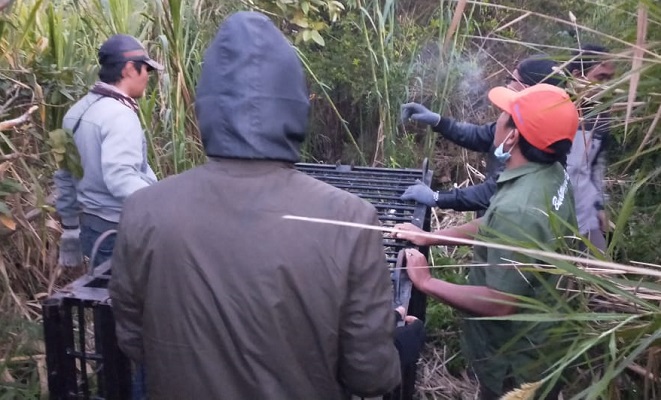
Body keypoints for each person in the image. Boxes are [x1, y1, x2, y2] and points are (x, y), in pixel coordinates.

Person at [109, 11, 405, 400]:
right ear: (296, 106)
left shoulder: (144, 209)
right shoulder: (350, 219)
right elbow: (371, 376)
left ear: (207, 107)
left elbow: (134, 340)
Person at [394, 83, 579, 399]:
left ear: (514, 136)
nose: (497, 120)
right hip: (548, 332)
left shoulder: (520, 205)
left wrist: (426, 283)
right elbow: (495, 224)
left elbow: (500, 301)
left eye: (505, 115)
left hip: (518, 358)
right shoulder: (549, 172)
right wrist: (432, 237)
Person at [400, 55, 566, 217]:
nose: (508, 84)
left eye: (512, 79)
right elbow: (481, 135)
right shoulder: (535, 124)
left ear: (529, 88)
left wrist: (438, 198)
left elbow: (496, 191)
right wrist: (439, 121)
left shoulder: (533, 140)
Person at [54, 34, 162, 268]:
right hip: (118, 230)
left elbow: (64, 174)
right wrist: (165, 203)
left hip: (92, 229)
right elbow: (121, 178)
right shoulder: (120, 116)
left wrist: (70, 227)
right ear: (129, 70)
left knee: (104, 298)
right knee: (130, 302)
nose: (147, 78)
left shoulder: (76, 111)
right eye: (146, 69)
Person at [565, 44, 616, 253]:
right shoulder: (553, 110)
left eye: (611, 80)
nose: (609, 87)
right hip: (550, 214)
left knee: (602, 276)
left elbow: (596, 167)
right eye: (601, 78)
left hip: (585, 214)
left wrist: (600, 207)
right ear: (577, 75)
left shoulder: (602, 116)